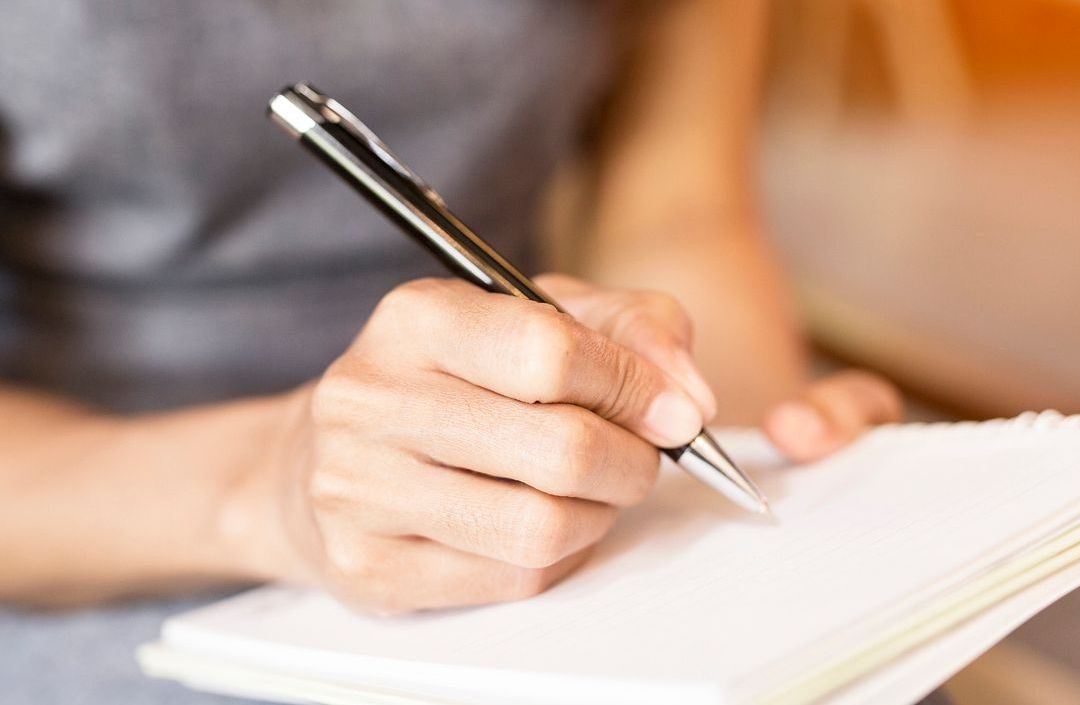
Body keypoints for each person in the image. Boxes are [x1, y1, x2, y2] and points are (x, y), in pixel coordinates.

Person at [0, 1, 927, 703]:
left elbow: (678, 215)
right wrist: (272, 491)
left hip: (527, 472)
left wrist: (741, 427)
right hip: (100, 527)